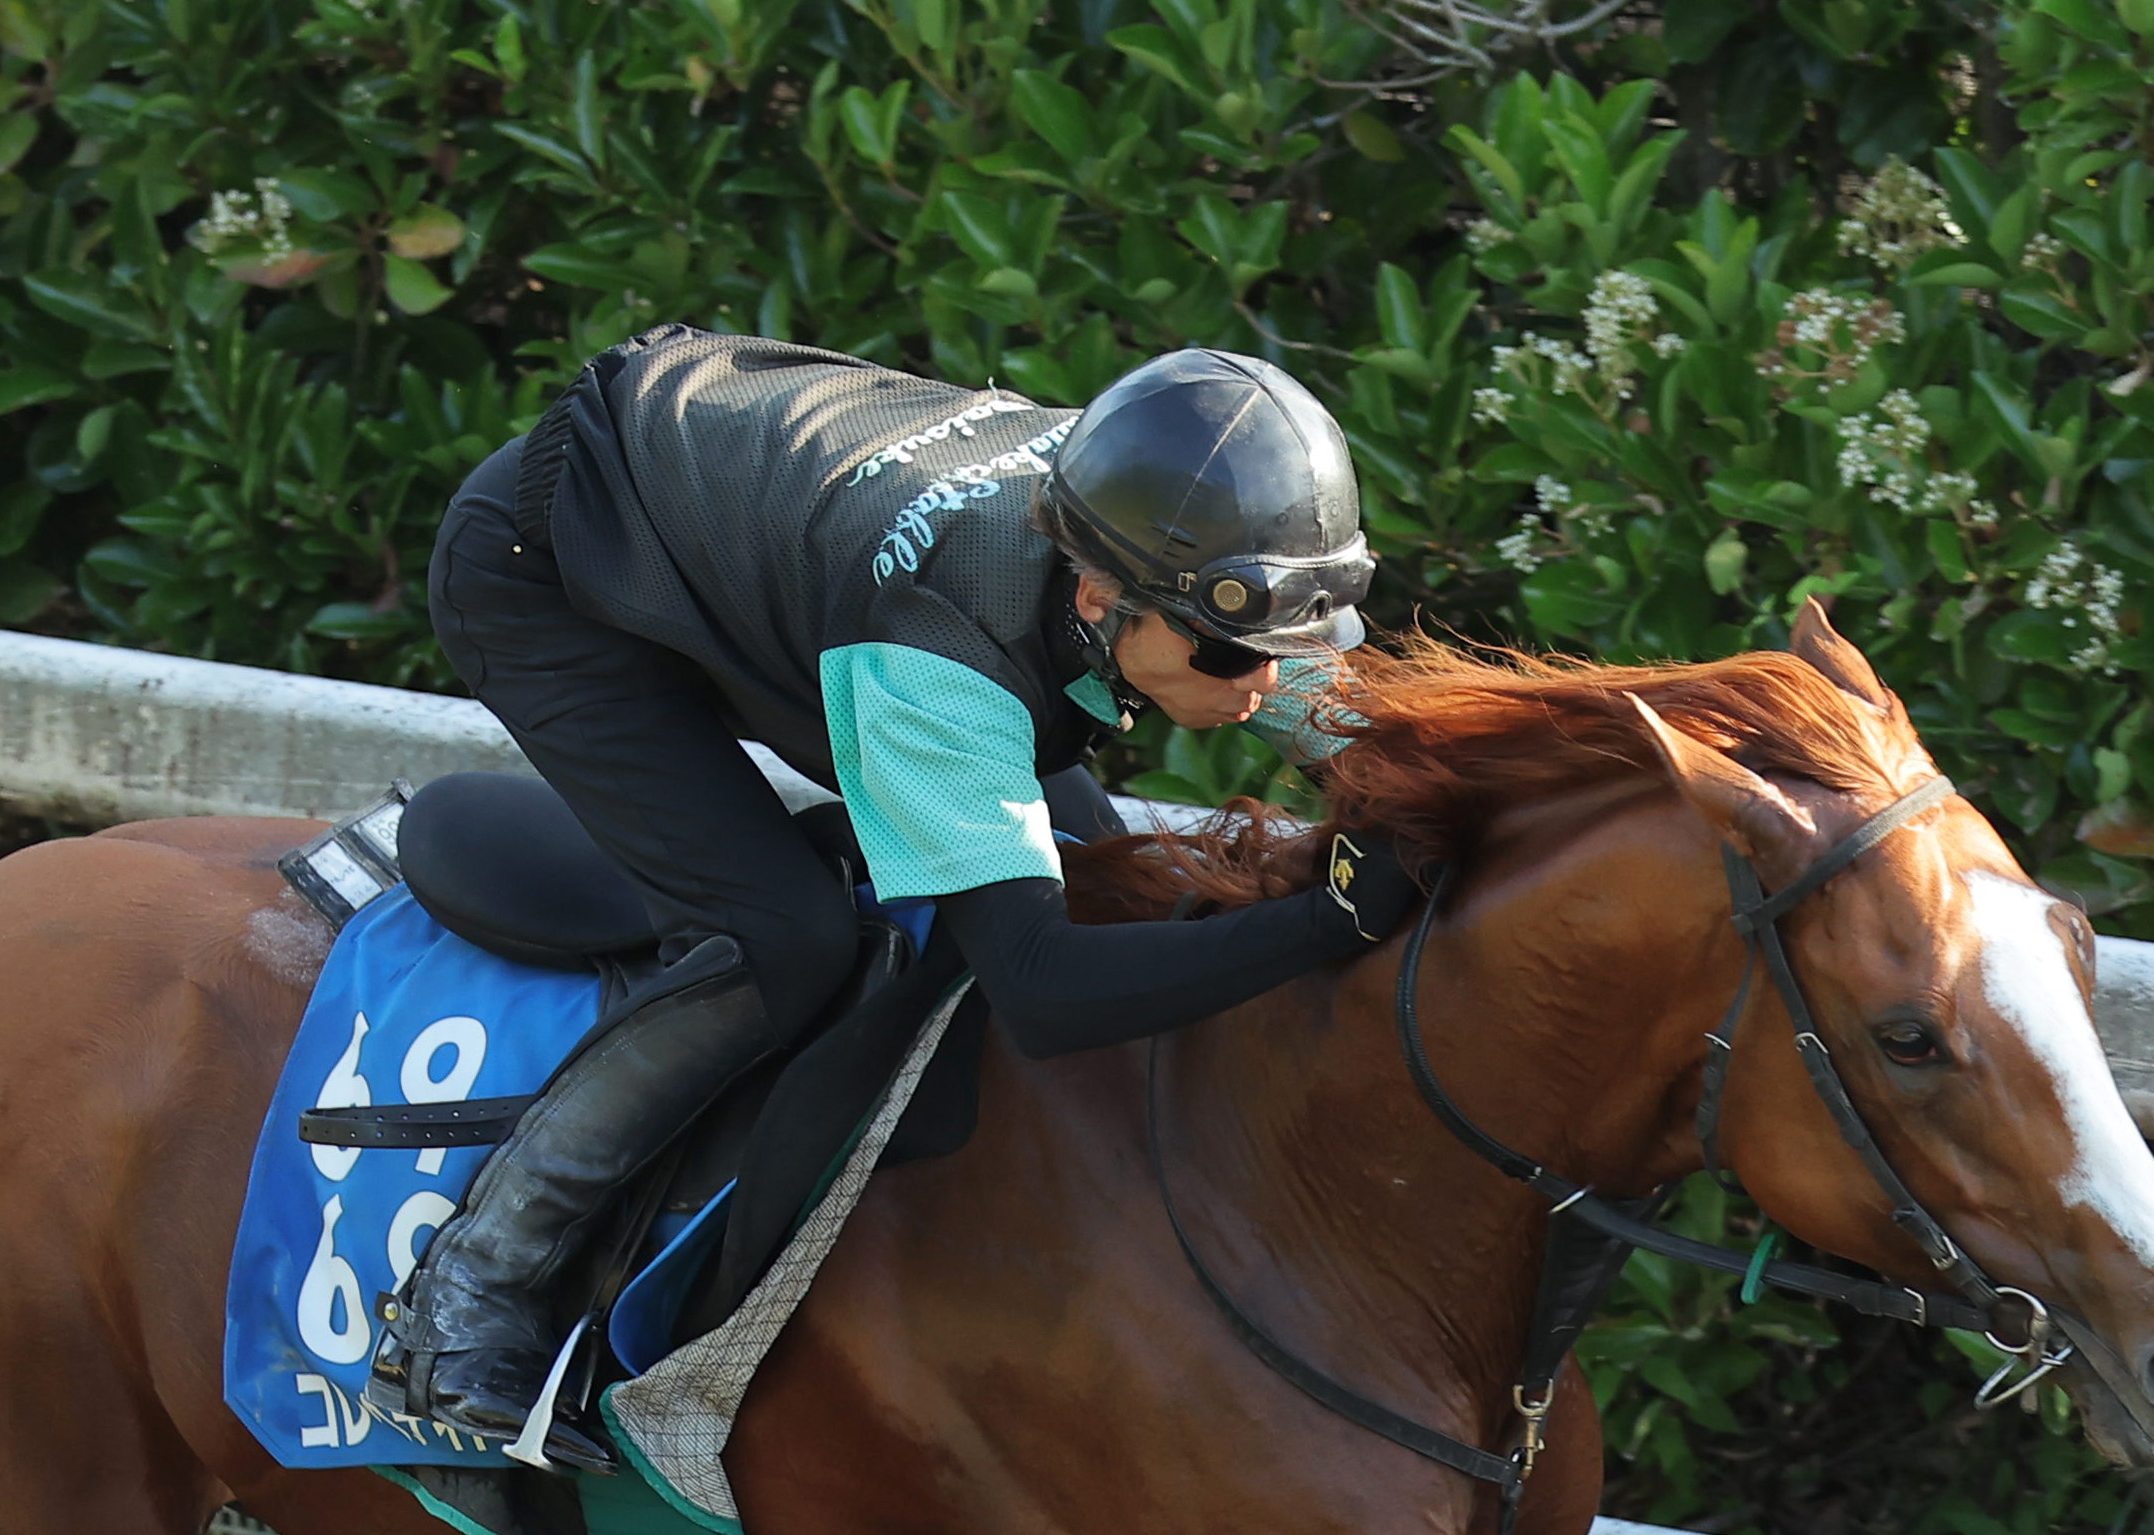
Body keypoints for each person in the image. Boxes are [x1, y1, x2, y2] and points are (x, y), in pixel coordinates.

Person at [372, 327, 1427, 1462]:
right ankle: (470, 1291)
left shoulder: (1165, 525)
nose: (1266, 683)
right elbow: (1041, 988)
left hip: (759, 519)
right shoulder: (944, 649)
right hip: (558, 570)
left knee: (1104, 871)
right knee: (787, 935)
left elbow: (1363, 739)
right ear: (1101, 591)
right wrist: (1325, 923)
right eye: (1229, 654)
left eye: (1294, 637)